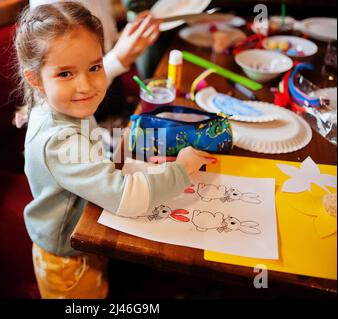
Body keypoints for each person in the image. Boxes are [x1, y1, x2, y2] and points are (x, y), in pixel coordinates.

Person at [15, 1, 217, 299]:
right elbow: (126, 197)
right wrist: (182, 169)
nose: (86, 85)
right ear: (35, 79)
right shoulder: (60, 140)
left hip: (85, 233)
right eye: (65, 74)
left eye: (94, 67)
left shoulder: (63, 106)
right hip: (69, 260)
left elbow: (91, 158)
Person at [26, 0, 161, 124]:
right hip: (87, 109)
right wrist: (119, 58)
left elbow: (103, 38)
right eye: (65, 74)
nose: (85, 86)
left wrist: (133, 29)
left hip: (109, 96)